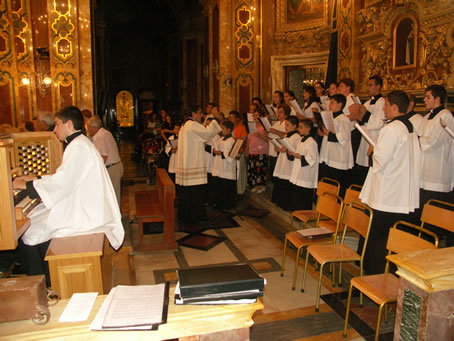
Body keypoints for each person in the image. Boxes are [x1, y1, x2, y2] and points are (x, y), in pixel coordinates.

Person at [13, 106, 124, 285]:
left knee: (31, 230)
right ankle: (45, 276)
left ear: (69, 124)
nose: (54, 129)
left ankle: (44, 281)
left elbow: (63, 183)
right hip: (84, 205)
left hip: (86, 214)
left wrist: (28, 185)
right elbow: (65, 176)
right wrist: (35, 178)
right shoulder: (79, 143)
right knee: (34, 220)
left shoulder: (78, 146)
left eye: (57, 125)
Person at [359, 91, 421, 275]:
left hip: (386, 194)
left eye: (386, 105)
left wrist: (373, 149)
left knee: (379, 240)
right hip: (400, 192)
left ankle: (373, 277)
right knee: (394, 239)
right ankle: (389, 275)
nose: (384, 109)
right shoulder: (409, 127)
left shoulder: (391, 129)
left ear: (394, 107)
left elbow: (381, 160)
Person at [175, 105, 223, 226]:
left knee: (188, 193)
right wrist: (216, 118)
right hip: (193, 165)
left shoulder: (185, 125)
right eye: (200, 113)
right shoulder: (192, 125)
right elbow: (207, 133)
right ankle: (192, 217)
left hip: (187, 164)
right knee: (194, 193)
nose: (201, 115)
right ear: (194, 113)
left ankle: (186, 215)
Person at [419, 85, 454, 244]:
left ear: (437, 99)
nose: (424, 100)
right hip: (424, 170)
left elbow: (433, 142)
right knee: (425, 211)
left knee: (437, 211)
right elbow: (419, 136)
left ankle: (437, 242)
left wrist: (416, 141)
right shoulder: (427, 117)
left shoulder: (445, 116)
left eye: (427, 97)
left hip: (438, 171)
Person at [319, 94, 353, 197]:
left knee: (336, 187)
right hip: (328, 156)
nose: (330, 105)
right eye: (330, 102)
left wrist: (328, 134)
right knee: (327, 185)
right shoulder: (330, 117)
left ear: (340, 104)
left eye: (332, 102)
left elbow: (344, 138)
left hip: (338, 158)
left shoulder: (343, 119)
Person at [354, 76, 386, 185]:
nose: (368, 88)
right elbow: (363, 121)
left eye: (371, 85)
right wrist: (359, 117)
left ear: (378, 87)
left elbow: (380, 123)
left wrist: (366, 114)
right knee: (362, 172)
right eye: (367, 85)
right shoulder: (367, 103)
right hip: (364, 140)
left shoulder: (382, 102)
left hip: (374, 139)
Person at [87, 116, 124, 207]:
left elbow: (103, 157)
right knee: (112, 195)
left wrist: (93, 171)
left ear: (94, 127)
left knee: (111, 197)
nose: (88, 130)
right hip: (114, 166)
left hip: (112, 168)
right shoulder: (103, 133)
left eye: (88, 128)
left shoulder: (101, 136)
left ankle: (114, 219)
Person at [288, 119, 319, 211]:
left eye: (301, 127)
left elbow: (312, 158)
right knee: (297, 194)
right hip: (298, 171)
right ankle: (296, 213)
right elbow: (297, 151)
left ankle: (303, 214)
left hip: (306, 174)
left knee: (304, 196)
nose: (298, 129)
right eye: (299, 127)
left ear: (308, 128)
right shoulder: (301, 139)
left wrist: (299, 156)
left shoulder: (311, 142)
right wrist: (292, 153)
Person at [272, 115, 300, 210]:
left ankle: (286, 204)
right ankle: (279, 201)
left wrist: (285, 148)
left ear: (294, 126)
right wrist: (278, 148)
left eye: (288, 125)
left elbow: (294, 149)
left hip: (289, 164)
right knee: (280, 182)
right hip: (282, 162)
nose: (285, 127)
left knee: (286, 184)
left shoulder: (296, 137)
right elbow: (282, 146)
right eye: (285, 125)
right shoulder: (286, 135)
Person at [212, 120, 237, 211]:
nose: (221, 130)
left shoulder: (231, 140)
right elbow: (217, 147)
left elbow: (230, 154)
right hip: (220, 165)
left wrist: (220, 153)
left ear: (229, 130)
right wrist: (215, 151)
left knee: (226, 187)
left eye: (223, 128)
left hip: (227, 167)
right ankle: (219, 204)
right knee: (220, 186)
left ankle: (227, 205)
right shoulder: (221, 138)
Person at [245, 108, 268, 193]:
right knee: (253, 169)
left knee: (260, 169)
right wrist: (247, 149)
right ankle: (254, 185)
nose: (255, 117)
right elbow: (249, 139)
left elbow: (269, 139)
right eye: (254, 115)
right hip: (252, 151)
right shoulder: (251, 126)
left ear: (261, 116)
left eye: (257, 115)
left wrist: (260, 136)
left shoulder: (264, 127)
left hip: (261, 151)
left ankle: (261, 186)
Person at [229, 110, 248, 195]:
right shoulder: (229, 128)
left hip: (239, 152)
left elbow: (244, 141)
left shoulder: (241, 127)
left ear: (237, 119)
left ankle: (240, 190)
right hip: (230, 153)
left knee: (239, 172)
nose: (230, 119)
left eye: (232, 117)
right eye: (229, 117)